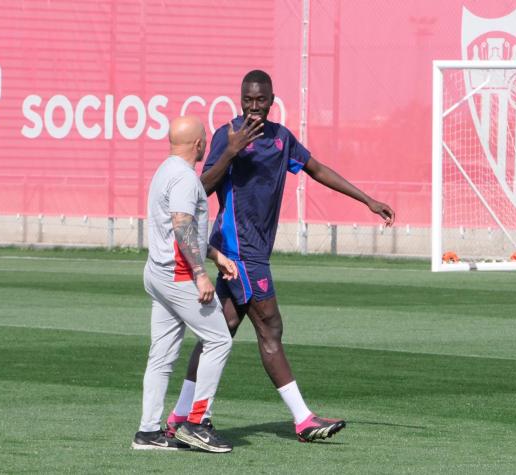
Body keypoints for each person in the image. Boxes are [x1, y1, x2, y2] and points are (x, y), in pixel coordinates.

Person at [165, 70, 396, 443]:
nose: (254, 107)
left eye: (261, 100)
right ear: (239, 99)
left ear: (272, 100)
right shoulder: (228, 135)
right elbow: (200, 188)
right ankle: (303, 419)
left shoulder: (280, 138)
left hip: (254, 249)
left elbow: (316, 169)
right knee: (269, 328)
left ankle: (179, 416)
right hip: (239, 249)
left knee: (219, 331)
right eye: (248, 100)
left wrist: (366, 200)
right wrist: (230, 152)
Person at [132, 116, 239, 453]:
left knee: (161, 355)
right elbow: (181, 225)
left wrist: (214, 255)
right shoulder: (184, 178)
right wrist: (201, 273)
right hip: (178, 275)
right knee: (219, 339)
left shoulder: (165, 170)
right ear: (199, 145)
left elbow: (176, 226)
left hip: (158, 273)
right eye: (205, 139)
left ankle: (148, 432)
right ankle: (195, 422)